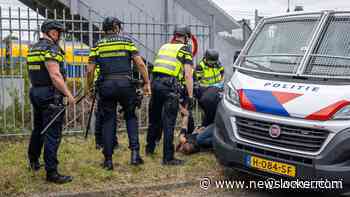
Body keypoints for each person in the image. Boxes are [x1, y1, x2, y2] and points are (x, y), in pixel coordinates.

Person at [87, 17, 150, 170]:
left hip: (106, 86)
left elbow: (90, 70)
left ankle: (108, 160)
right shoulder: (126, 42)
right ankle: (135, 154)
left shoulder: (98, 45)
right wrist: (147, 82)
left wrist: (89, 87)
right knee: (130, 116)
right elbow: (140, 63)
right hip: (126, 85)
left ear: (104, 29)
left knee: (108, 120)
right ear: (116, 27)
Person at [27, 20, 75, 184]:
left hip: (35, 91)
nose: (59, 35)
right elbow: (55, 75)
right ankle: (52, 172)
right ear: (50, 32)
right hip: (49, 94)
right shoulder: (51, 48)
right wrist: (68, 94)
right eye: (58, 32)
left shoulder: (34, 48)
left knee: (39, 128)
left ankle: (33, 161)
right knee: (53, 133)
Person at [146, 26, 194, 165]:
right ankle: (168, 158)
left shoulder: (164, 47)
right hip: (170, 88)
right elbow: (188, 75)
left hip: (156, 84)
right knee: (168, 123)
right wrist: (190, 96)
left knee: (154, 120)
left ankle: (149, 149)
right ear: (185, 38)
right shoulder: (185, 50)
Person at [194, 49, 224, 127]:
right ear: (206, 59)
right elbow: (197, 81)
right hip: (205, 91)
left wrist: (221, 83)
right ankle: (209, 124)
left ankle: (213, 123)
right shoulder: (200, 66)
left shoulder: (217, 63)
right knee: (209, 106)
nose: (213, 63)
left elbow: (222, 73)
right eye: (211, 61)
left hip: (217, 89)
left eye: (214, 61)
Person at [92, 66, 118, 150]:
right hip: (106, 83)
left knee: (102, 114)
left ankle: (101, 141)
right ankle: (107, 141)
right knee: (106, 115)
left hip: (103, 83)